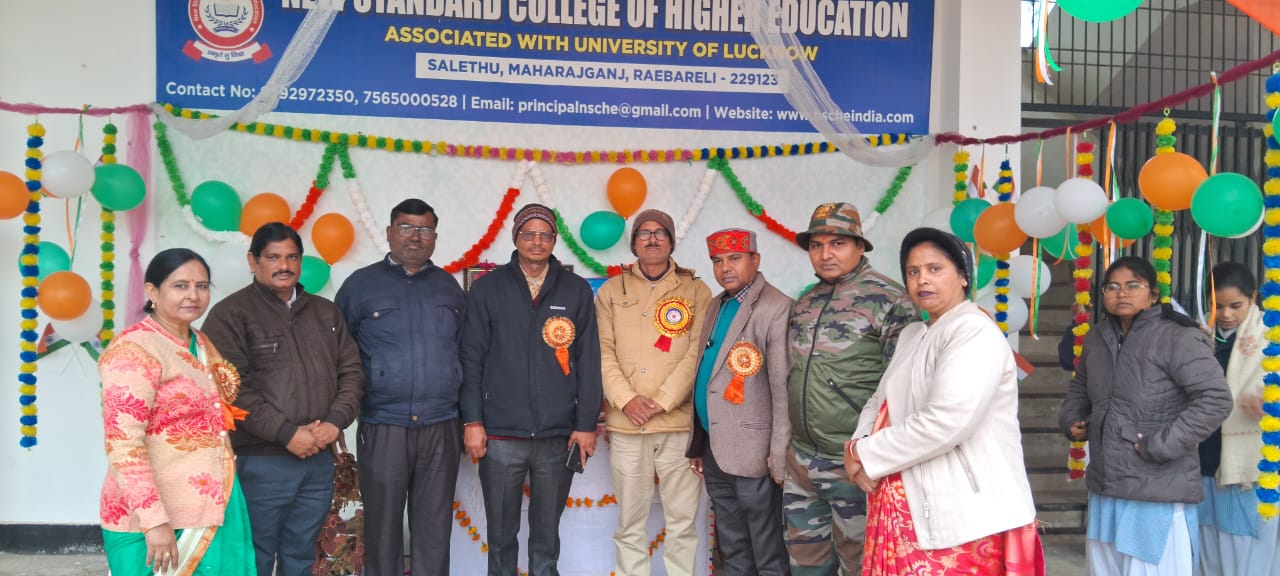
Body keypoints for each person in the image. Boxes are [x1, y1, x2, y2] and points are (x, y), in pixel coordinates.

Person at [847, 227, 1042, 574]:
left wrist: (866, 454)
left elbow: (945, 421)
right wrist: (858, 445)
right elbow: (880, 400)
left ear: (963, 276)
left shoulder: (972, 330)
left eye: (934, 268)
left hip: (962, 511)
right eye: (913, 271)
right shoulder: (913, 334)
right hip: (909, 502)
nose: (922, 279)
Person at [203, 222, 364, 576]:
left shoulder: (325, 312)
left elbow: (351, 372)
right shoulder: (230, 315)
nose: (284, 266)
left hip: (318, 460)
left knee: (302, 555)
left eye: (292, 257)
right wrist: (287, 433)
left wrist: (335, 422)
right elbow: (231, 389)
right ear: (253, 261)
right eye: (273, 257)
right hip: (262, 461)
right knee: (255, 556)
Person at [1059, 256, 1232, 575]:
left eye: (1132, 285)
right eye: (1112, 287)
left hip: (1156, 486)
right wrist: (1072, 419)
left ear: (1153, 294)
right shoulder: (1098, 336)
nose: (1121, 293)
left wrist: (1162, 444)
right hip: (1106, 483)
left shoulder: (1178, 336)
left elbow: (1216, 399)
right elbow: (1080, 387)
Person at [460, 203, 603, 576]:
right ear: (515, 238)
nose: (537, 242)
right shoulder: (488, 288)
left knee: (546, 537)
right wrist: (472, 421)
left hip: (558, 436)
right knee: (501, 536)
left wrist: (585, 424)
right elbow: (470, 358)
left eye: (545, 235)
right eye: (529, 234)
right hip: (500, 435)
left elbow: (589, 360)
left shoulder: (575, 290)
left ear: (554, 240)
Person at [98, 248, 255, 575]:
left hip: (213, 504)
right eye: (180, 285)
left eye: (202, 286)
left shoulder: (200, 341)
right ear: (153, 292)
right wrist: (154, 522)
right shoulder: (133, 350)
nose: (193, 295)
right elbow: (124, 444)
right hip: (153, 517)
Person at [785, 202, 916, 575]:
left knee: (862, 564)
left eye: (837, 243)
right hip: (802, 461)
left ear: (860, 246)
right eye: (817, 245)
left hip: (855, 462)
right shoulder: (806, 301)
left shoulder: (890, 300)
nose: (825, 254)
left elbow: (903, 388)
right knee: (805, 565)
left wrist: (875, 454)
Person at [336, 199, 465, 576]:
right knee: (383, 529)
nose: (415, 237)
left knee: (434, 530)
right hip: (383, 425)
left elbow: (468, 354)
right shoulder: (360, 286)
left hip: (441, 425)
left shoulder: (448, 288)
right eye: (406, 228)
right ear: (390, 233)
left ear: (435, 237)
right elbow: (338, 355)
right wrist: (336, 417)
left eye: (424, 230)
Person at [597, 209, 713, 576]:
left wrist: (662, 401)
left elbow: (697, 353)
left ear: (672, 241)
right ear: (633, 243)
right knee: (630, 524)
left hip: (678, 425)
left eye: (660, 232)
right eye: (644, 233)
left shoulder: (696, 290)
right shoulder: (612, 290)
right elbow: (602, 351)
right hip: (627, 425)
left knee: (682, 523)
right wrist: (626, 400)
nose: (652, 238)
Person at [684, 228, 792, 576]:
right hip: (716, 448)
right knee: (732, 549)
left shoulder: (776, 307)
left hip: (755, 453)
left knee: (767, 551)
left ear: (755, 260)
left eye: (734, 258)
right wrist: (699, 441)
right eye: (717, 261)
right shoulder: (717, 304)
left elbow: (782, 389)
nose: (725, 268)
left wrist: (779, 455)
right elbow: (707, 372)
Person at [1197, 261, 1278, 576]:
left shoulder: (1271, 337)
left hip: (1249, 468)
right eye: (1218, 306)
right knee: (1206, 550)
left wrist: (1271, 406)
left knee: (1247, 553)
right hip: (1204, 458)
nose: (1226, 314)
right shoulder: (1198, 335)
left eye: (1235, 305)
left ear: (1253, 297)